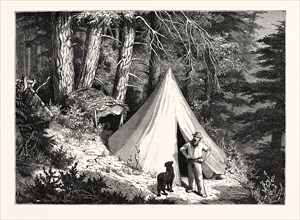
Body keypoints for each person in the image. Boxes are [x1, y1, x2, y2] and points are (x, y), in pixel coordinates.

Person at [180, 131, 211, 197]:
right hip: (190, 161)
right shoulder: (188, 143)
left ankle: (201, 192)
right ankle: (191, 188)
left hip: (197, 161)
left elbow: (208, 150)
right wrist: (186, 155)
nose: (195, 138)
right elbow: (182, 149)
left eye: (197, 137)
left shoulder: (201, 145)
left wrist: (204, 158)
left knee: (199, 177)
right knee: (190, 176)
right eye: (195, 136)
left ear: (199, 139)